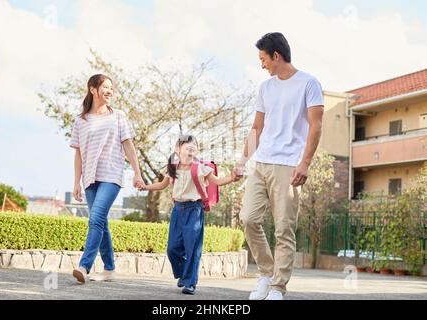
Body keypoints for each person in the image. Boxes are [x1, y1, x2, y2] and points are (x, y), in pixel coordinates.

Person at [234, 32, 324, 300]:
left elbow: (316, 126)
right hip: (261, 162)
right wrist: (242, 160)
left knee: (284, 228)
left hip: (288, 165)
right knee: (248, 218)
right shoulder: (266, 88)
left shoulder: (309, 84)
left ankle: (277, 287)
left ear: (277, 55)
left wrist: (305, 163)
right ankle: (265, 273)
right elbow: (257, 127)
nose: (261, 65)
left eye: (263, 59)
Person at [140, 134, 241, 295]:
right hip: (177, 209)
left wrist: (232, 178)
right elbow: (162, 185)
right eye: (188, 148)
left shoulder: (201, 168)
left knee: (192, 248)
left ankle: (190, 282)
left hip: (194, 210)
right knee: (172, 248)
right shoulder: (172, 168)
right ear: (178, 150)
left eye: (193, 148)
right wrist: (146, 187)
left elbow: (218, 181)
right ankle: (184, 274)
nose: (191, 151)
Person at [70, 74, 145, 283]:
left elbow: (128, 145)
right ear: (93, 89)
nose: (110, 91)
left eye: (111, 87)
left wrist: (137, 173)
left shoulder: (118, 116)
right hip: (90, 177)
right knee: (100, 222)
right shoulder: (80, 120)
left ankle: (84, 266)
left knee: (95, 219)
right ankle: (110, 269)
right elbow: (78, 154)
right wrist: (76, 182)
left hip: (111, 175)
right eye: (105, 87)